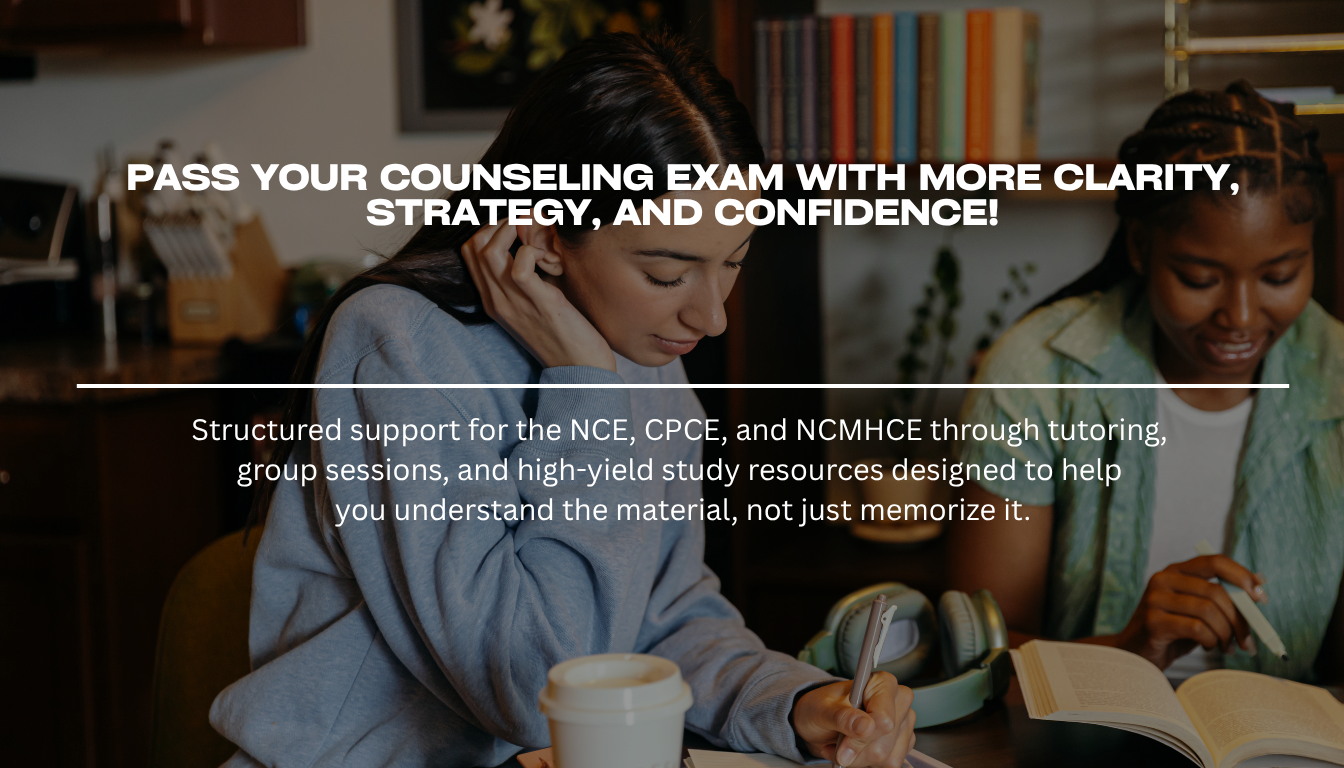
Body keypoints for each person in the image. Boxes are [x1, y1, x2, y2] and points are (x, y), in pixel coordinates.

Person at [210, 33, 916, 768]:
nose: (712, 318)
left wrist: (796, 703)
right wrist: (586, 388)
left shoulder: (640, 347)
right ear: (545, 232)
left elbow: (658, 618)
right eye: (669, 275)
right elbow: (529, 688)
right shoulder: (401, 347)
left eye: (732, 262)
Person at [947, 81, 1344, 685]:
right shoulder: (1037, 374)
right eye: (1200, 278)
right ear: (1142, 246)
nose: (1241, 316)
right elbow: (977, 661)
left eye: (1280, 275)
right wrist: (1123, 651)